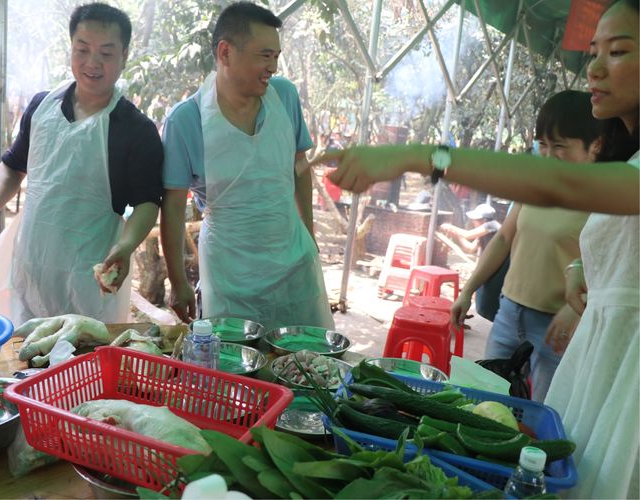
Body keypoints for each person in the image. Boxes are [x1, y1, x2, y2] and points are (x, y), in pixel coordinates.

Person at [312, 0, 638, 496]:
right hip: (605, 354)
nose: (594, 67)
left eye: (617, 52)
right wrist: (582, 266)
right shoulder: (627, 158)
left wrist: (418, 156)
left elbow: (561, 185)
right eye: (593, 51)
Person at [0, 2, 163, 327]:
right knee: (29, 361)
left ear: (124, 56)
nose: (92, 63)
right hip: (32, 267)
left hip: (91, 280)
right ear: (70, 49)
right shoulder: (42, 107)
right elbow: (12, 166)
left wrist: (125, 246)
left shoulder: (135, 129)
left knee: (85, 365)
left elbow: (147, 203)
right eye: (82, 50)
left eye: (106, 53)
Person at [160, 1, 334, 331]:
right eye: (264, 55)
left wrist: (309, 235)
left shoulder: (284, 97)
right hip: (230, 272)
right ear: (225, 53)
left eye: (276, 57)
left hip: (293, 261)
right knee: (234, 369)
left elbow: (300, 169)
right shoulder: (186, 120)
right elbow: (171, 206)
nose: (272, 67)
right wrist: (177, 280)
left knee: (302, 362)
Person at [451, 91, 603, 402]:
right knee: (485, 398)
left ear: (595, 146)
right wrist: (468, 290)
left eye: (560, 146)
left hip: (557, 327)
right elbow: (504, 239)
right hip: (509, 313)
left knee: (543, 409)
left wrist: (576, 311)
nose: (548, 155)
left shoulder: (603, 200)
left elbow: (609, 268)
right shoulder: (534, 186)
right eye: (543, 145)